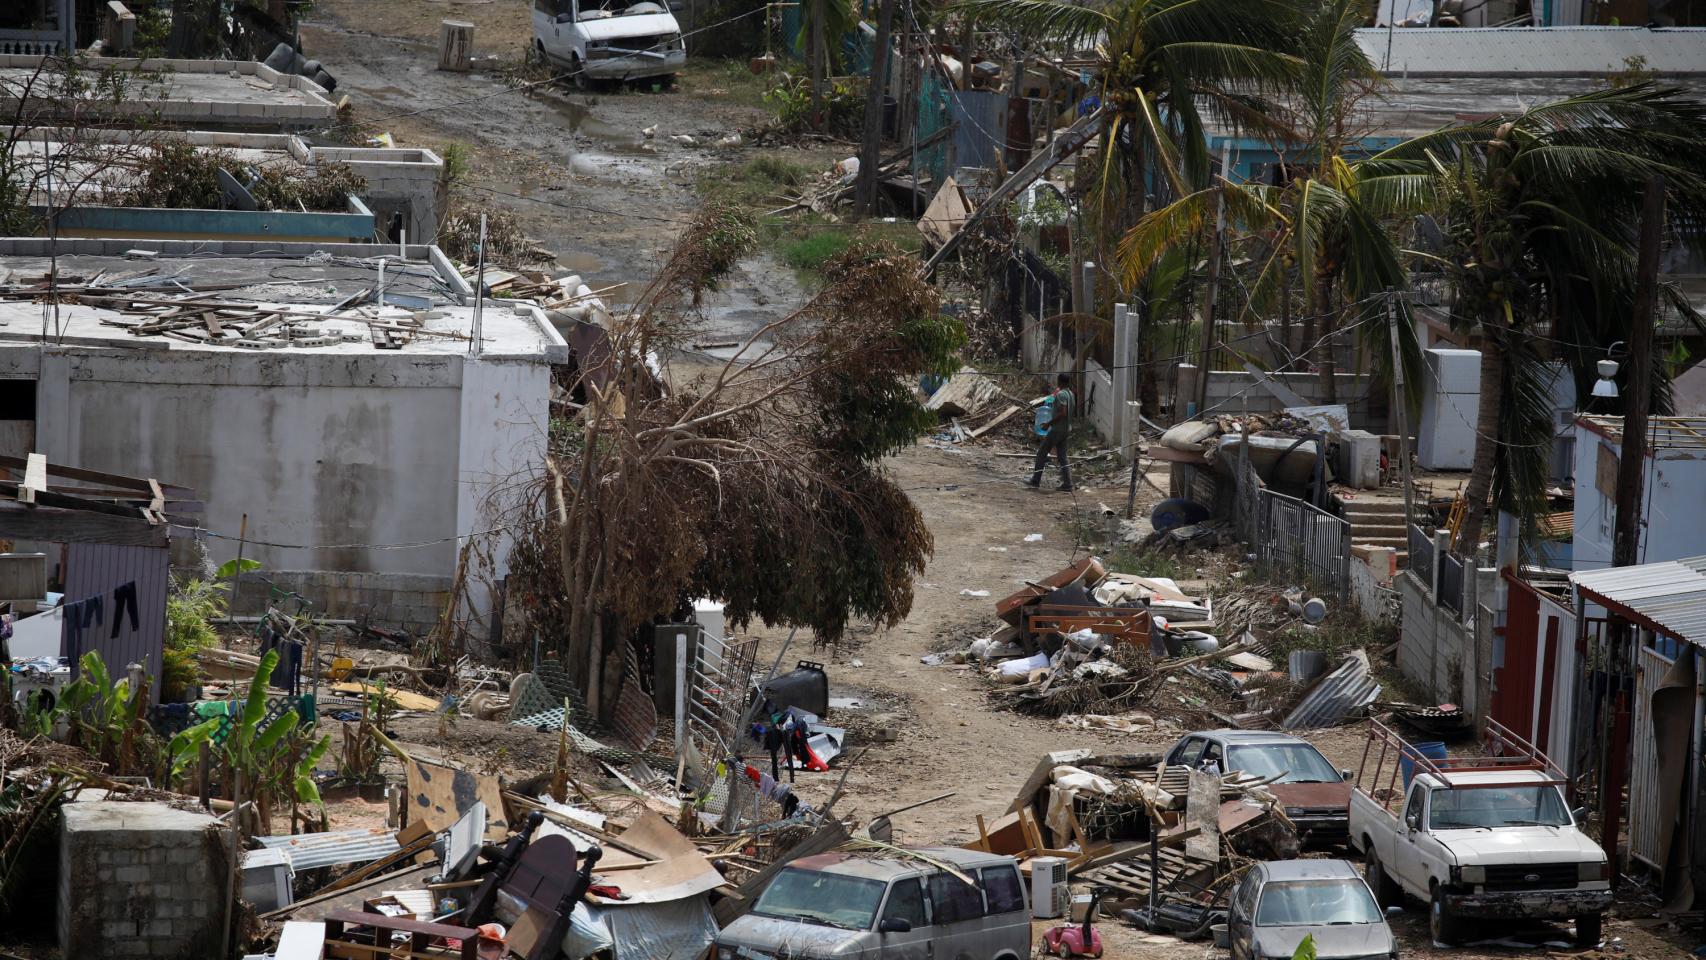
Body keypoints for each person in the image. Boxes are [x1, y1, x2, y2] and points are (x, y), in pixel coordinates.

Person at [1028, 372, 1074, 491]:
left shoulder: (1061, 395)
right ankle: (1068, 484)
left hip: (1057, 430)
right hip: (1066, 429)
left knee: (1042, 453)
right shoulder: (1071, 394)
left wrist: (1048, 424)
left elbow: (1062, 413)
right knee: (1063, 456)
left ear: (1059, 381)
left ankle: (1035, 480)